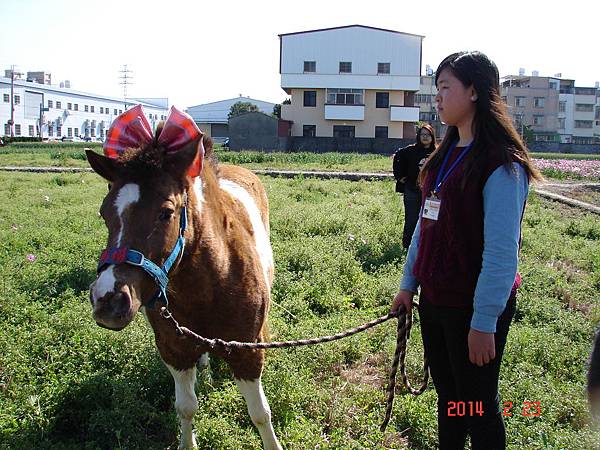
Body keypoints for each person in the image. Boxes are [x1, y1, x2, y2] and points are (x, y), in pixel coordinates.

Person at [390, 51, 543, 449]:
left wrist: (484, 322)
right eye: (436, 88)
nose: (437, 98)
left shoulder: (501, 165)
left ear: (474, 91)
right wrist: (408, 285)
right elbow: (424, 228)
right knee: (450, 400)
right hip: (436, 300)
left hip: (473, 309)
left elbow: (501, 254)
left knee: (477, 406)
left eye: (445, 88)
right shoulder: (442, 157)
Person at [393, 124, 436, 248]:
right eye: (422, 134)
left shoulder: (437, 152)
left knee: (429, 220)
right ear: (418, 136)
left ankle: (426, 246)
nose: (425, 137)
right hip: (412, 190)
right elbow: (397, 158)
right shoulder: (410, 151)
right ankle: (407, 246)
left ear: (432, 136)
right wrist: (400, 176)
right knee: (411, 220)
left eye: (428, 135)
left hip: (431, 193)